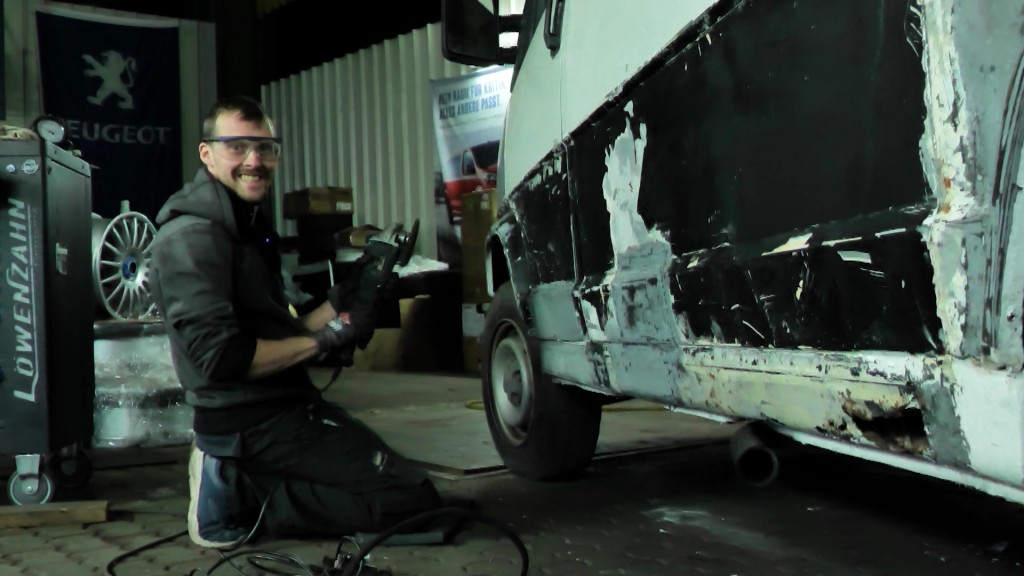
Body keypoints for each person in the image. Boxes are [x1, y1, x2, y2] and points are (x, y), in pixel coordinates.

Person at [149, 95, 441, 549]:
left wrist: (347, 295)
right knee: (410, 500)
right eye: (238, 147)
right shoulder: (192, 238)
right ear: (207, 154)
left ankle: (245, 482)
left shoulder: (245, 222)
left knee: (401, 483)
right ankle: (238, 497)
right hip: (248, 421)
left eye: (265, 148)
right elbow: (223, 359)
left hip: (282, 401)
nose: (254, 161)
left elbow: (283, 331)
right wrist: (331, 336)